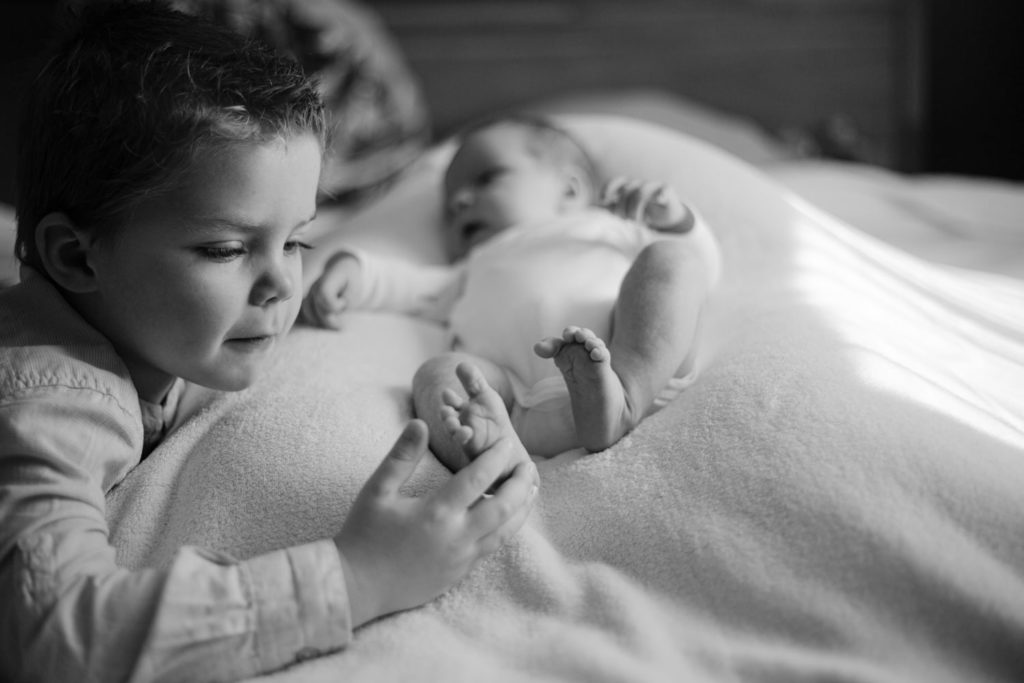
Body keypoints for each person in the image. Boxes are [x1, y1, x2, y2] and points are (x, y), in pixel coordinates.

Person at [0, 4, 538, 682]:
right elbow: (59, 638)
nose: (281, 283)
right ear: (76, 258)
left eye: (296, 240)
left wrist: (443, 381)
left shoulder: (156, 323)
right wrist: (357, 578)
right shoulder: (46, 401)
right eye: (227, 248)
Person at [304, 114, 721, 467]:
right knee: (439, 374)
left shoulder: (609, 227)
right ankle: (485, 453)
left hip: (628, 354)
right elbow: (404, 286)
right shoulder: (470, 269)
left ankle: (625, 393)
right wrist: (351, 272)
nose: (463, 200)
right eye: (451, 207)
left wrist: (675, 220)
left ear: (570, 190)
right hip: (518, 409)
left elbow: (704, 267)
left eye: (488, 178)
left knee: (671, 261)